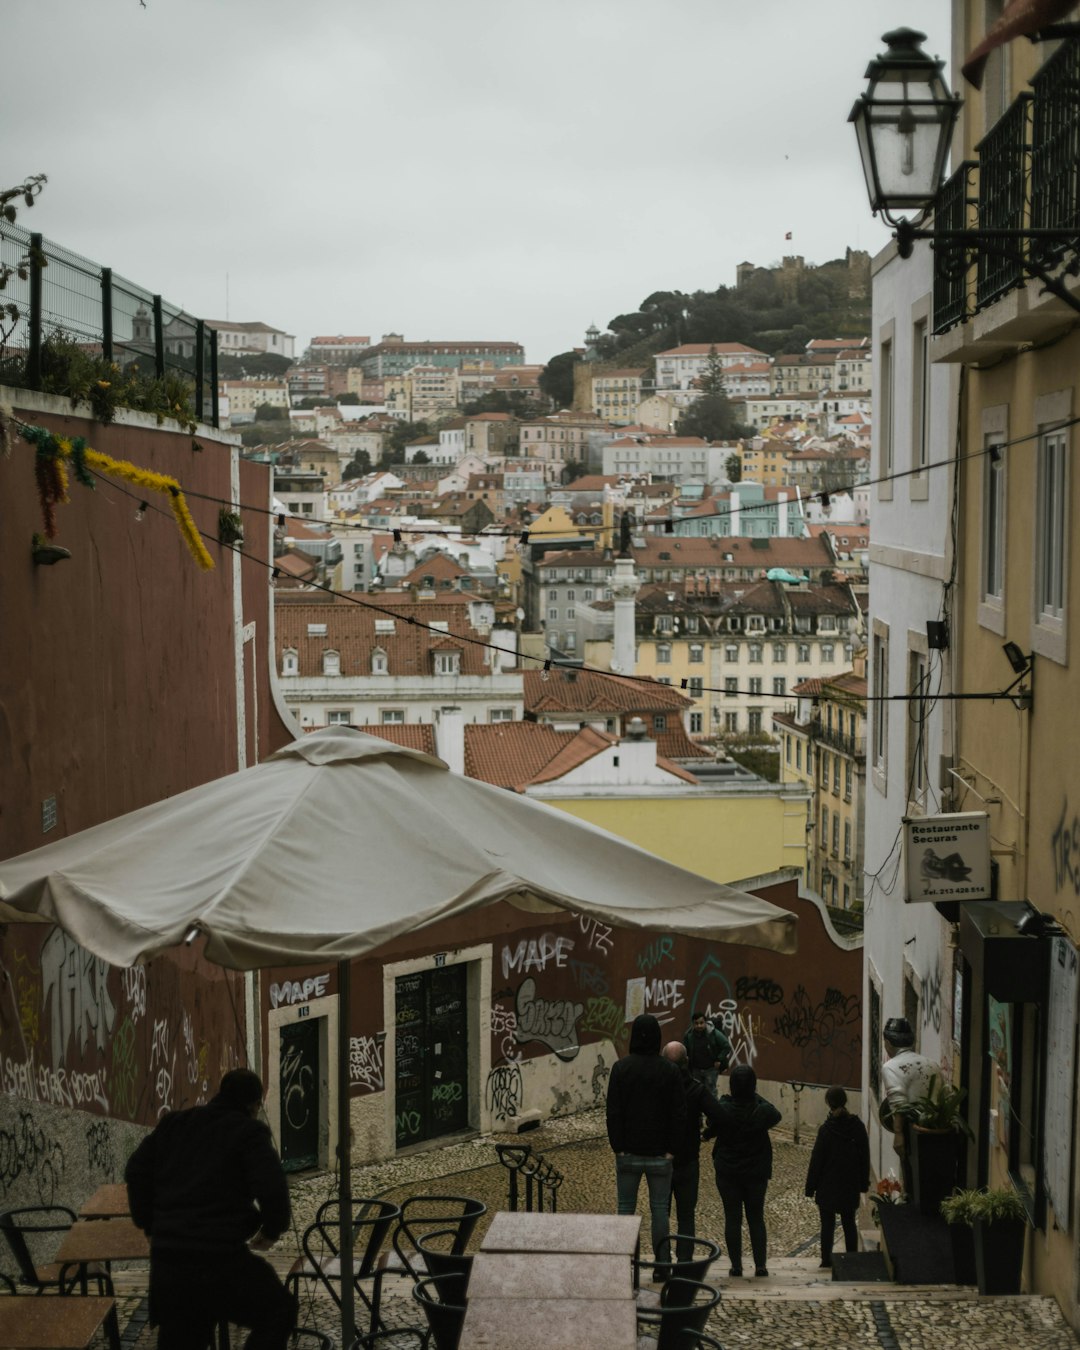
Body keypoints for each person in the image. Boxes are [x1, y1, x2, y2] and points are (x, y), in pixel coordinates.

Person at [125, 1068, 296, 1350]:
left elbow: (136, 1170)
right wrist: (272, 1229)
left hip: (168, 1264)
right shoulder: (249, 1132)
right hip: (219, 1261)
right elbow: (272, 1185)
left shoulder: (174, 1124)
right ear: (254, 1105)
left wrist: (148, 1223)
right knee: (279, 1310)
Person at [606, 1013, 686, 1268]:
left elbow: (613, 1112)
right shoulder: (670, 1071)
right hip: (660, 1154)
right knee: (660, 1211)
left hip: (628, 1153)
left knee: (625, 1210)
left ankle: (623, 1264)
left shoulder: (621, 1069)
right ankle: (662, 1265)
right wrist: (672, 1150)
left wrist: (618, 1147)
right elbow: (678, 1114)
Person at [708, 1064, 781, 1278]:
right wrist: (754, 1095)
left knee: (732, 1218)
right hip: (756, 1171)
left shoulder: (724, 1108)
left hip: (728, 1169)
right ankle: (760, 1266)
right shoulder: (762, 1110)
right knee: (756, 1217)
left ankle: (736, 1266)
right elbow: (775, 1114)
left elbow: (712, 1122)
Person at [662, 1040, 725, 1265]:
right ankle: (685, 1261)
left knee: (661, 1215)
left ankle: (661, 1264)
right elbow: (720, 1115)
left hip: (661, 1161)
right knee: (686, 1216)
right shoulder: (696, 1089)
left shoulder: (658, 1089)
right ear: (686, 1061)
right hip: (688, 1159)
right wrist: (707, 1134)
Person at [804, 1086, 870, 1268]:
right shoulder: (857, 1127)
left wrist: (811, 1187)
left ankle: (826, 1260)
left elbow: (816, 1160)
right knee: (849, 1221)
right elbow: (865, 1156)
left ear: (828, 1103)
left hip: (828, 1184)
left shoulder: (826, 1130)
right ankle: (852, 1259)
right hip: (849, 1183)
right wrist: (863, 1183)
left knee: (827, 1224)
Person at [878, 1016, 936, 1199]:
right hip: (936, 1130)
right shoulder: (931, 1064)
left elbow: (898, 1103)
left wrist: (898, 1134)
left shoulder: (891, 1067)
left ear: (887, 1042)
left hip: (911, 1130)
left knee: (912, 1180)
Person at [682, 1009, 732, 1098]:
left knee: (711, 1093)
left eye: (701, 1023)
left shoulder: (713, 1033)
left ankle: (712, 1111)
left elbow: (726, 1047)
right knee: (696, 1092)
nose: (699, 1025)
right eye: (696, 1023)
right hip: (696, 1069)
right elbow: (685, 1050)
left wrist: (719, 1059)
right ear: (693, 1024)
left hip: (710, 1069)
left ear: (705, 1022)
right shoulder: (689, 1035)